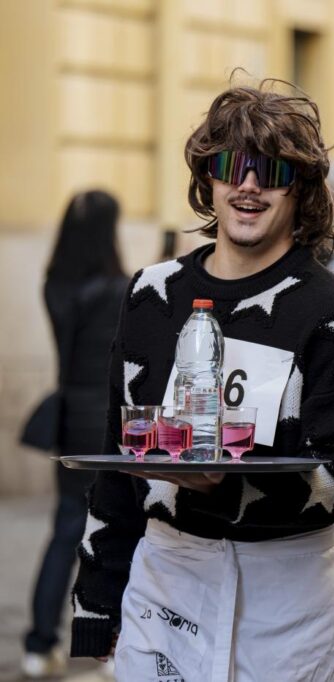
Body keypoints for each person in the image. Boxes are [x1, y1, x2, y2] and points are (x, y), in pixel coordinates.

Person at [68, 81, 334, 681]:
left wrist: (226, 482)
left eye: (270, 169)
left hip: (292, 601)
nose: (248, 184)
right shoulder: (149, 294)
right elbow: (117, 455)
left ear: (300, 189)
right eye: (230, 166)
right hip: (165, 584)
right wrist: (96, 600)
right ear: (207, 180)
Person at [21, 191, 128, 678]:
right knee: (113, 533)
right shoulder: (115, 288)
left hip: (67, 416)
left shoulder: (53, 285)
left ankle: (39, 645)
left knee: (65, 531)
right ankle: (108, 646)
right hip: (102, 418)